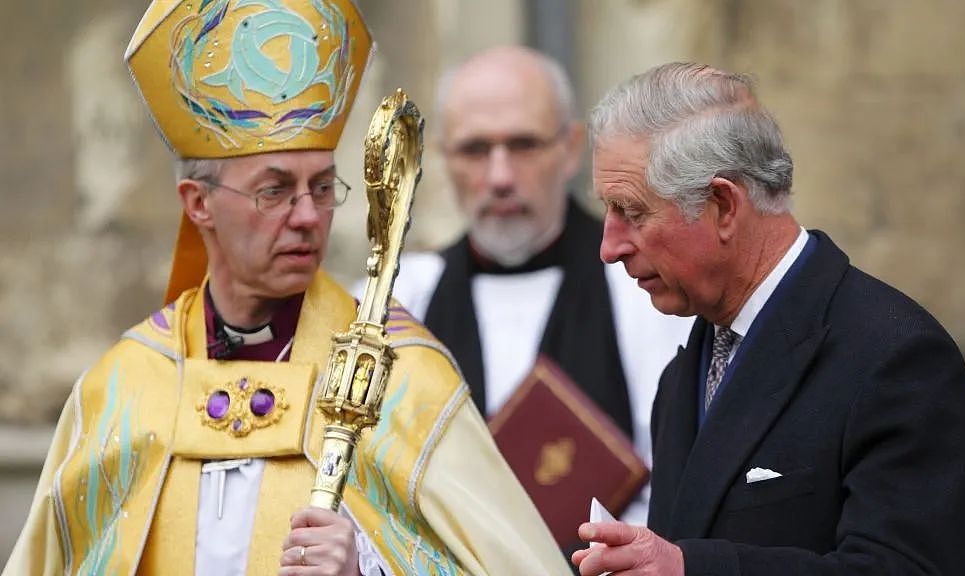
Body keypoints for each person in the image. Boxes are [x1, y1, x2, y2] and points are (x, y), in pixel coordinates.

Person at [2, 2, 570, 575]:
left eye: (322, 188)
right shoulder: (123, 389)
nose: (306, 216)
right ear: (198, 205)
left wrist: (366, 571)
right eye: (274, 191)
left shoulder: (400, 377)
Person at [573, 62, 965, 575]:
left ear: (723, 205)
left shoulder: (898, 359)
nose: (609, 248)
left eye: (632, 212)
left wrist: (693, 569)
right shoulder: (686, 372)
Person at [383, 46, 693, 527]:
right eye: (475, 149)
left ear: (571, 148)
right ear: (442, 157)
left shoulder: (648, 290)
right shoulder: (401, 303)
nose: (501, 177)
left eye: (524, 145)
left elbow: (680, 478)